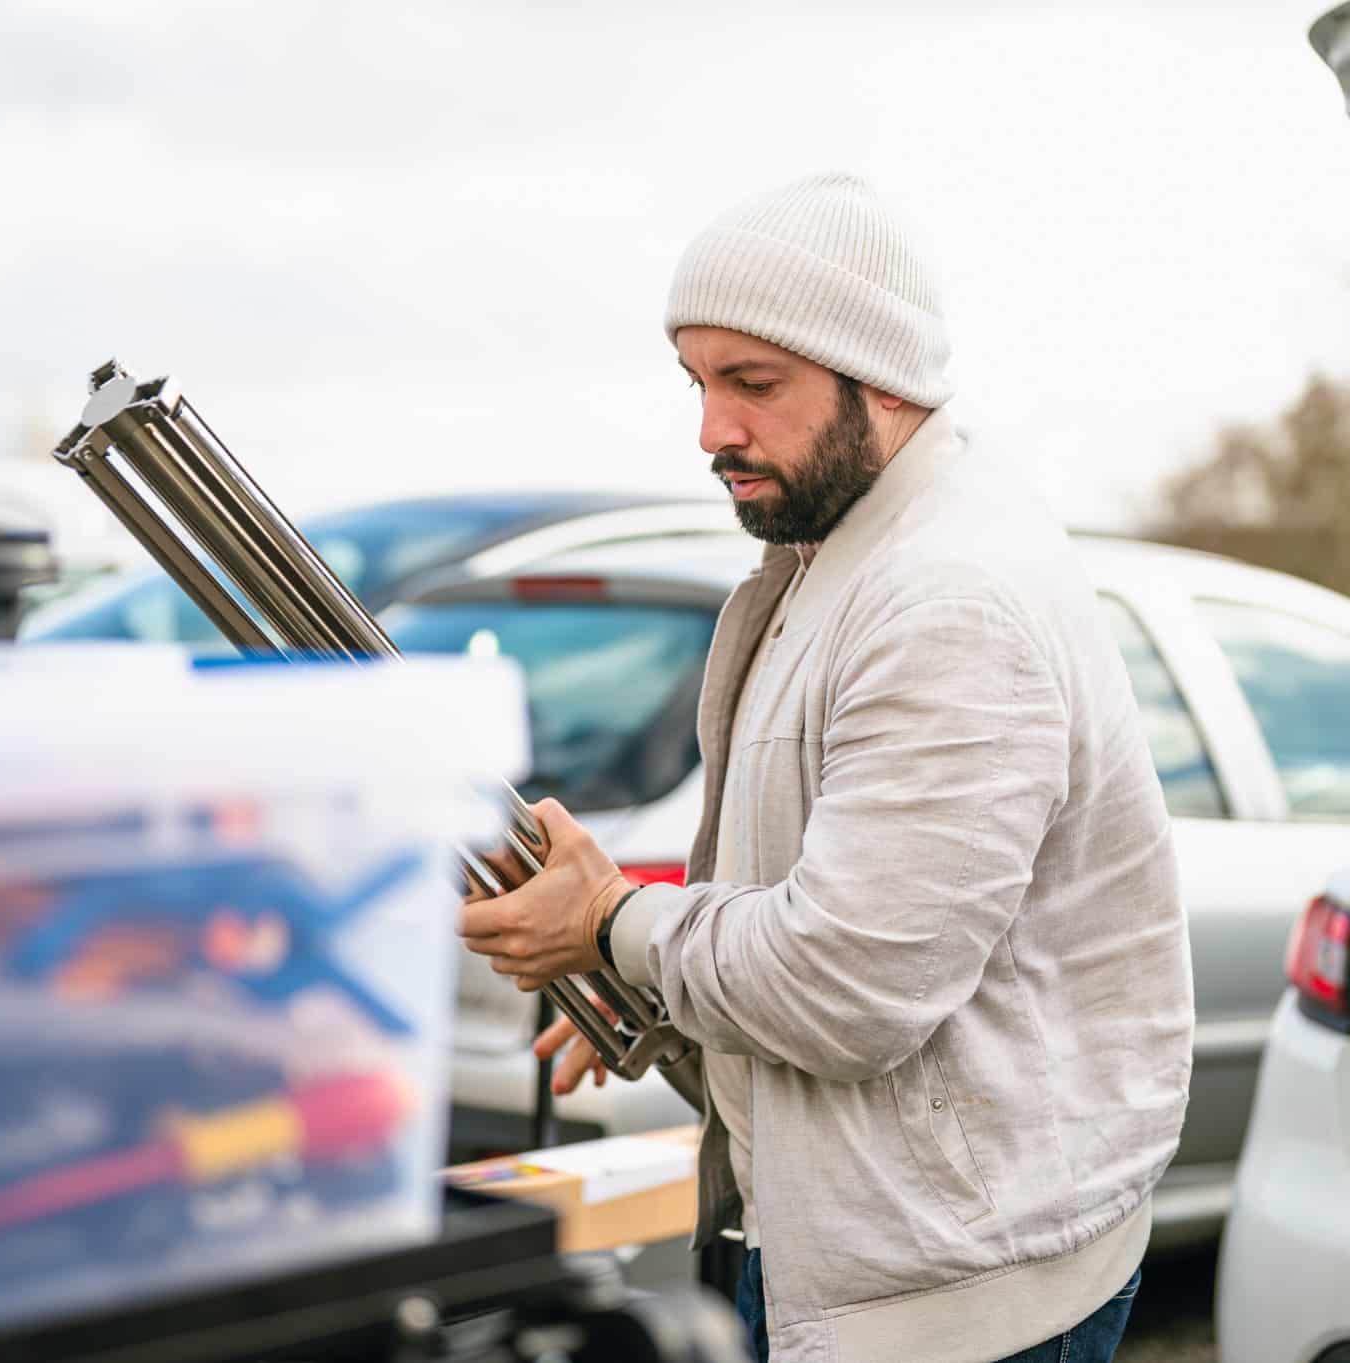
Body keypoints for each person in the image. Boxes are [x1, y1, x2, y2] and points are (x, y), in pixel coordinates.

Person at [459, 172, 1192, 1363]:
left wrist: (611, 922)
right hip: (878, 1254)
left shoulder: (946, 598)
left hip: (952, 1305)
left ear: (883, 377)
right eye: (697, 382)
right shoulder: (847, 551)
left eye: (753, 383)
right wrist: (655, 985)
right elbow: (818, 895)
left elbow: (848, 985)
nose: (712, 430)